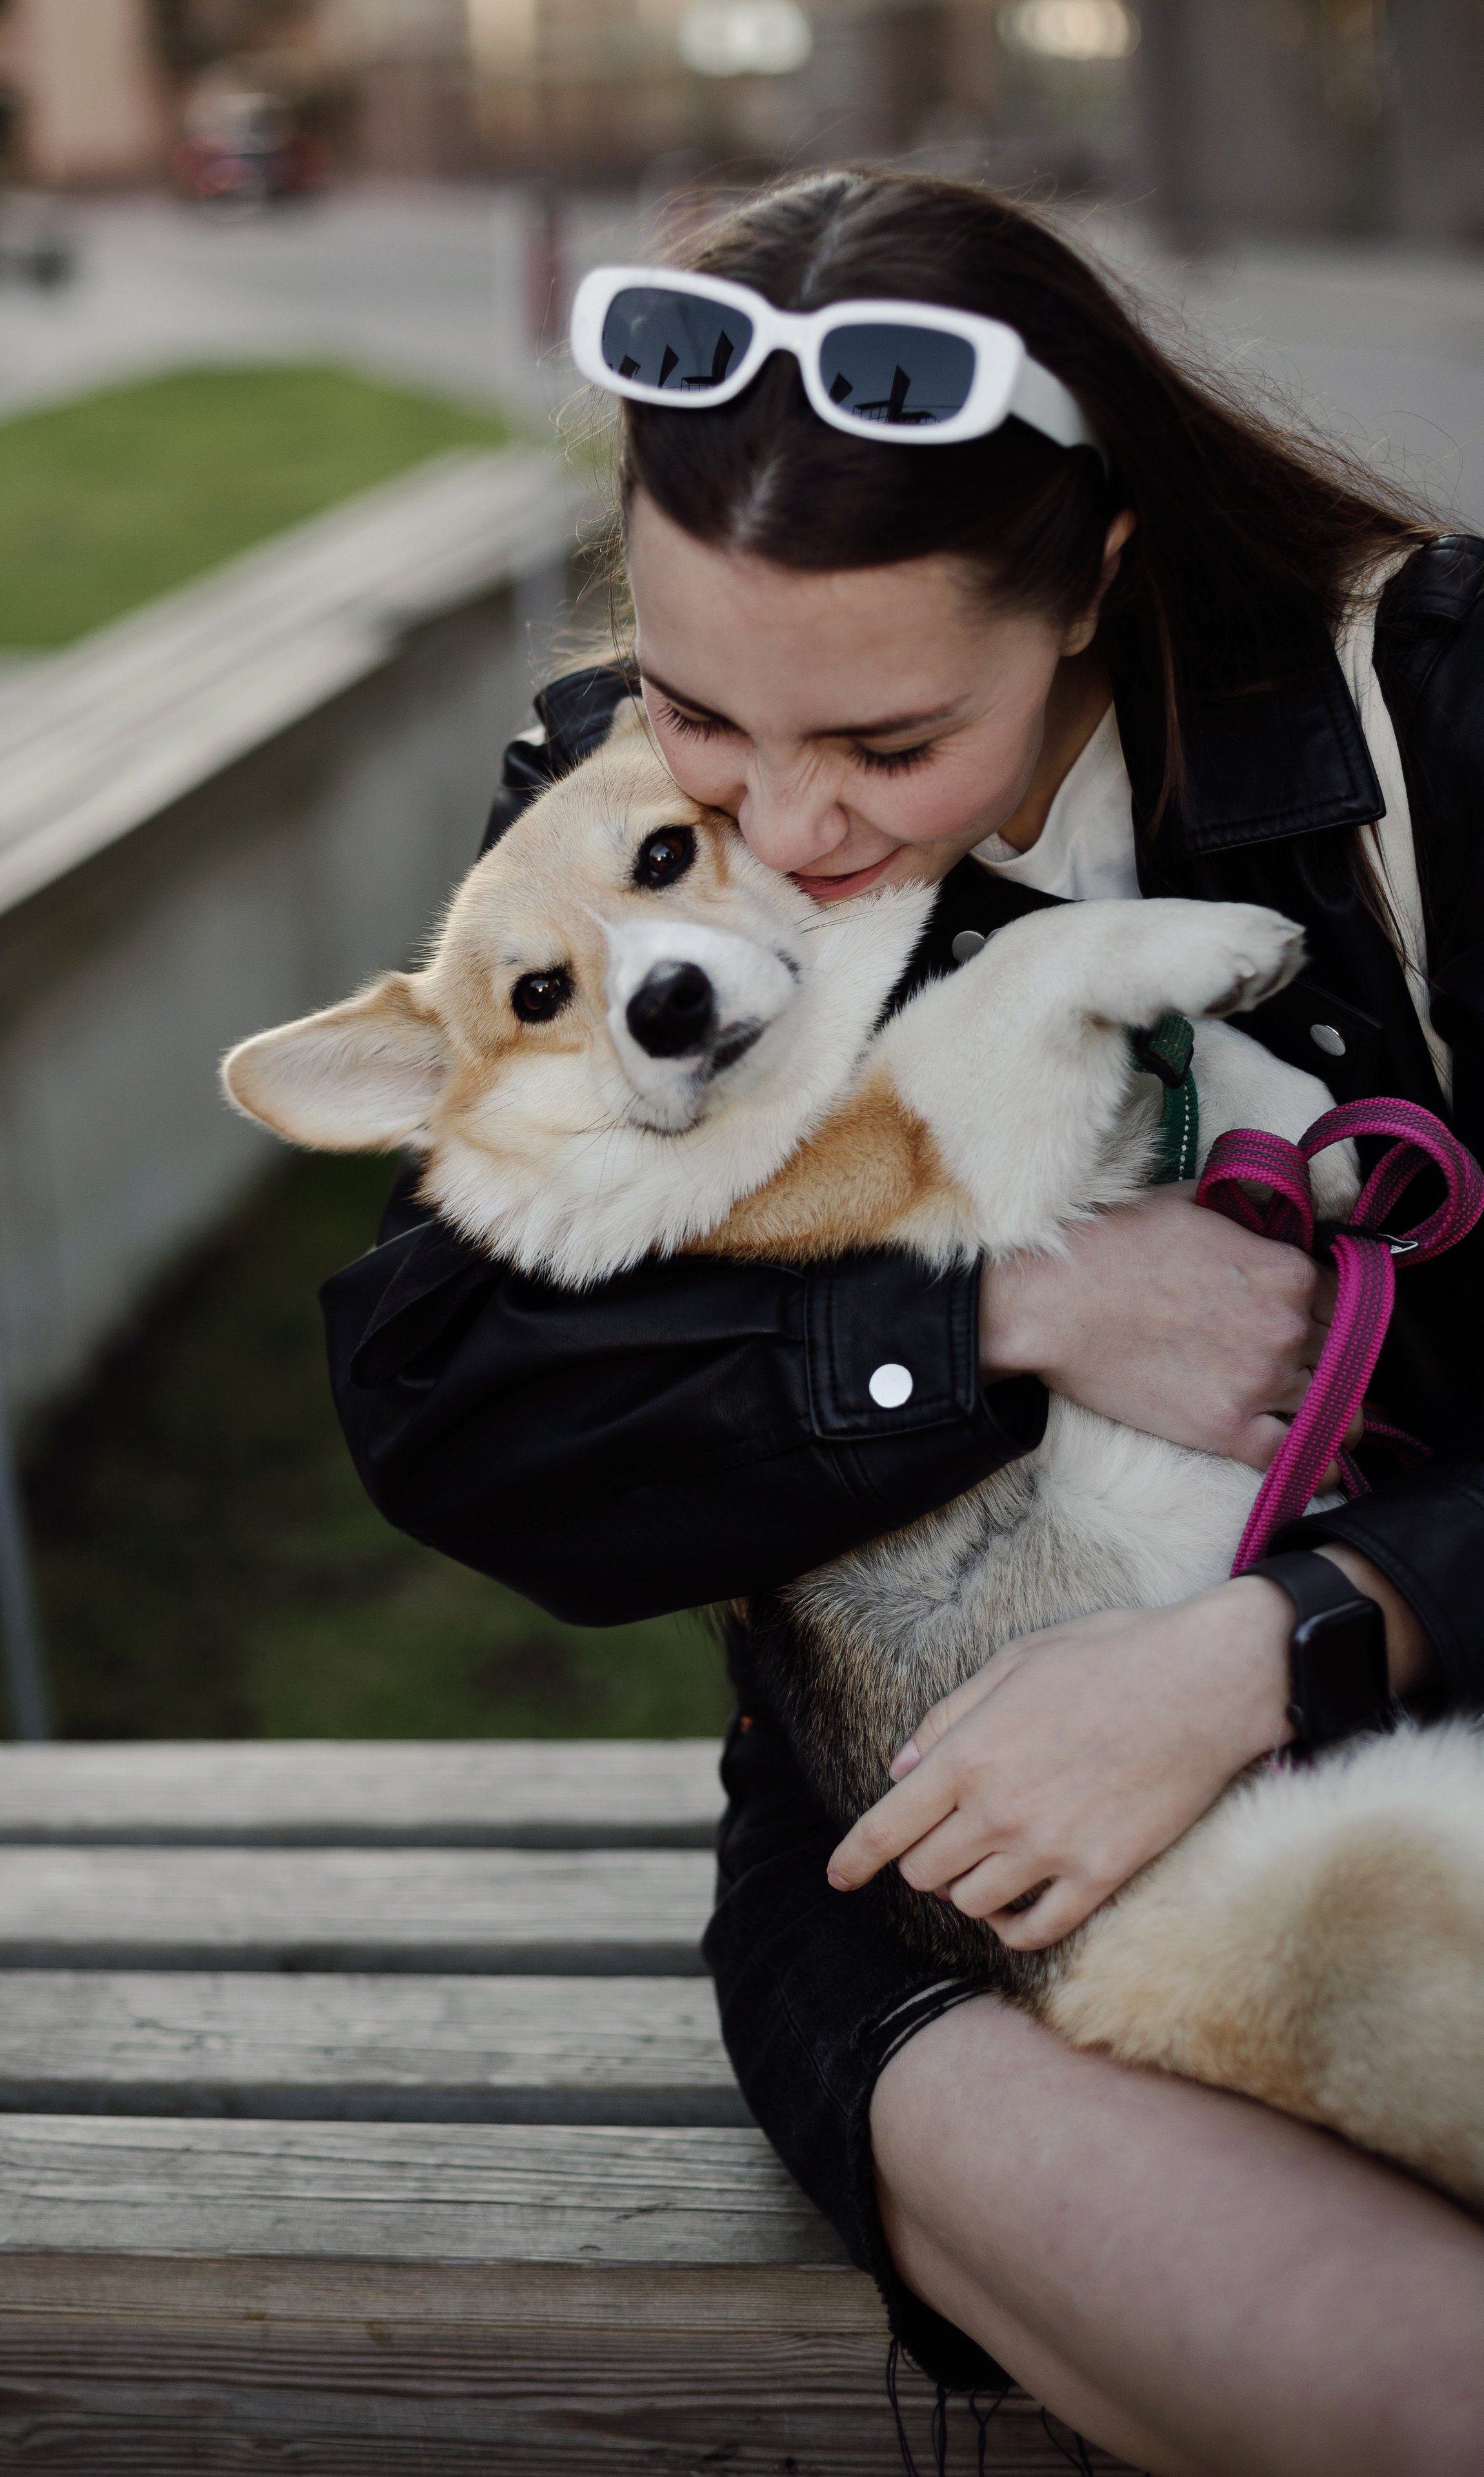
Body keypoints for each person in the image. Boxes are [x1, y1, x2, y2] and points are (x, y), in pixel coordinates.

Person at [322, 171, 1484, 2475]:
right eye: (696, 709)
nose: (777, 818)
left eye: (884, 742)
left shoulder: (1424, 706)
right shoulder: (618, 798)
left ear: (1100, 579)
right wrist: (1008, 1313)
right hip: (940, 1861)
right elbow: (457, 1398)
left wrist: (1297, 1633)